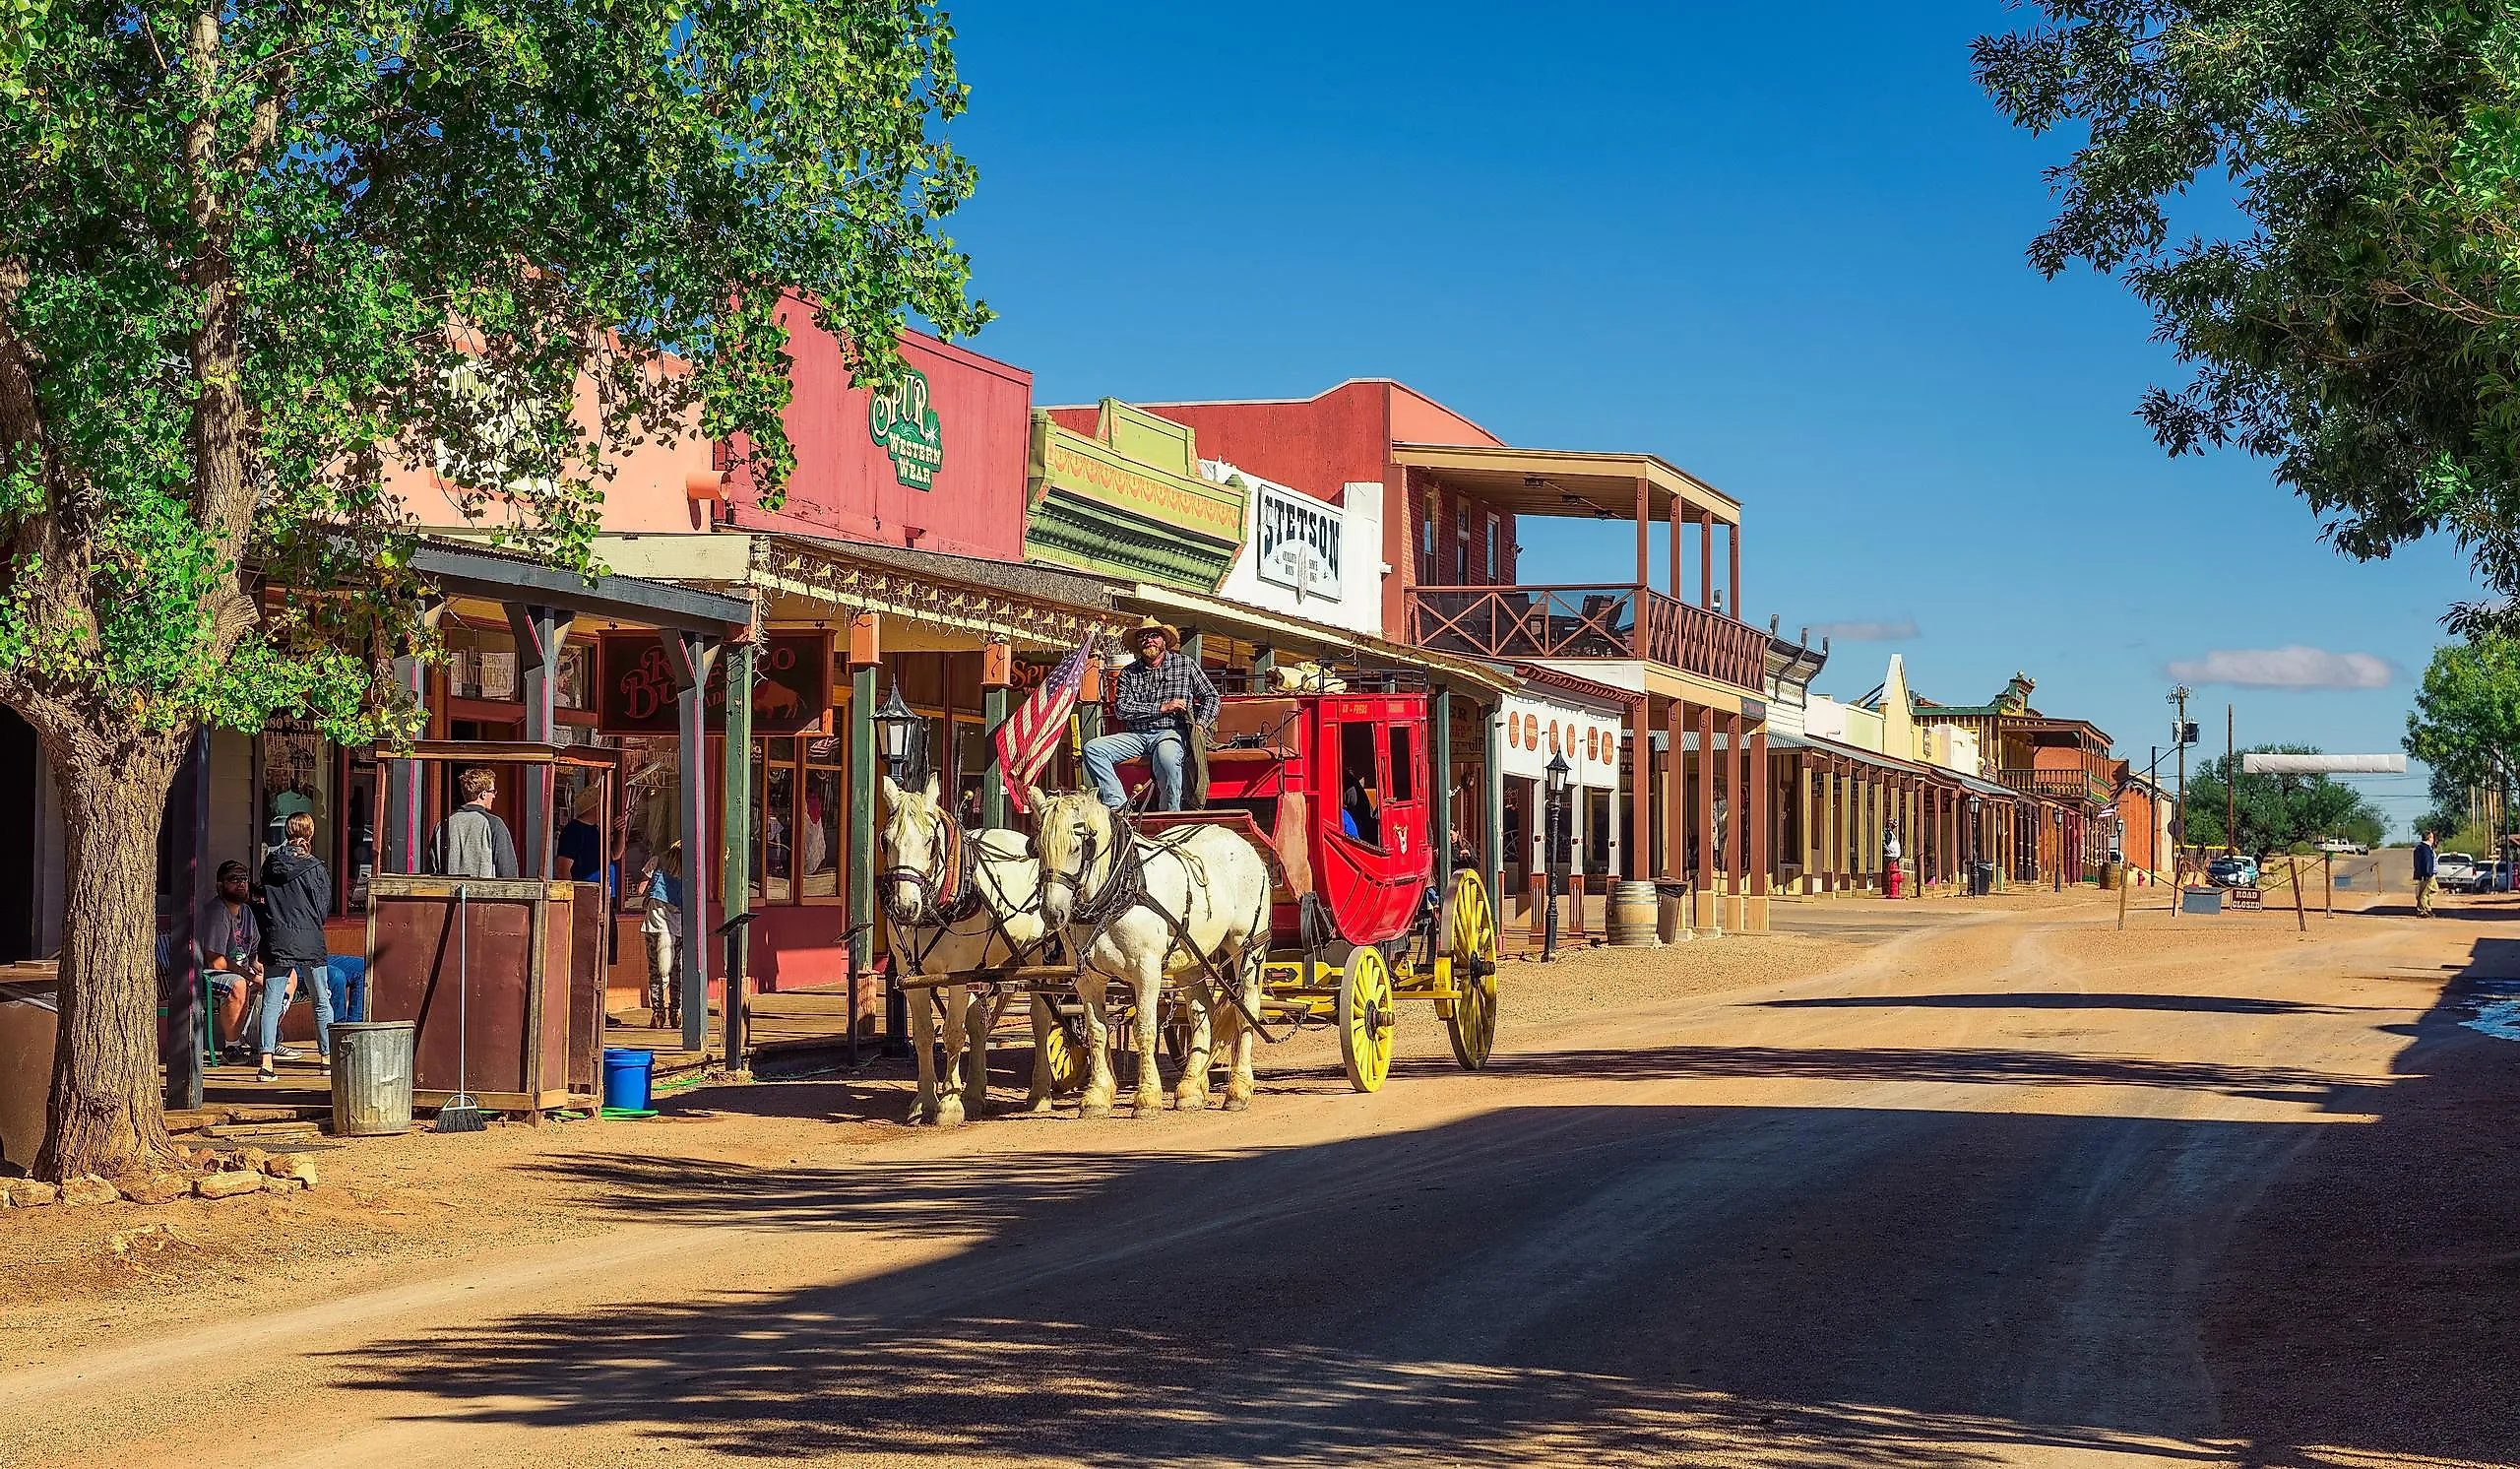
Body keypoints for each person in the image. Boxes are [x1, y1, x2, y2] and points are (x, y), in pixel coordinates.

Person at [1082, 619, 1219, 812]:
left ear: (1164, 640)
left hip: (1171, 733)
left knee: (1168, 758)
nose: (1148, 640)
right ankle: (1118, 806)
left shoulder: (1185, 665)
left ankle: (1170, 816)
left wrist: (1201, 725)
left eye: (1154, 635)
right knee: (1093, 749)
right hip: (1136, 736)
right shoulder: (1129, 672)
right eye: (1142, 636)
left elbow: (1211, 697)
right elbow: (1122, 709)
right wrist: (1162, 707)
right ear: (1138, 643)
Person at [258, 812, 336, 1083]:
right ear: (310, 834)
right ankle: (326, 1058)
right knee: (321, 999)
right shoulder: (315, 868)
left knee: (271, 1000)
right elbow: (323, 909)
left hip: (277, 938)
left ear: (286, 832)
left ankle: (266, 1062)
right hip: (309, 938)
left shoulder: (270, 864)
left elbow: (263, 898)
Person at [199, 860, 263, 1058]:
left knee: (287, 978)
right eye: (233, 879)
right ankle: (231, 1047)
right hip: (209, 975)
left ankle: (264, 1041)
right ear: (220, 885)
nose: (241, 883)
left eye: (243, 878)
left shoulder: (247, 912)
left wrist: (264, 971)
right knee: (238, 984)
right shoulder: (217, 912)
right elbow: (215, 961)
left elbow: (253, 955)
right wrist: (251, 977)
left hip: (241, 971)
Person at [430, 766, 520, 879]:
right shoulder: (494, 824)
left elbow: (432, 869)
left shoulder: (443, 825)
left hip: (448, 894)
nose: (494, 795)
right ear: (483, 794)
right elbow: (507, 872)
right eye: (492, 791)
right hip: (484, 894)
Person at [641, 842, 684, 1031]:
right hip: (679, 928)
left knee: (655, 970)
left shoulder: (657, 861)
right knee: (677, 971)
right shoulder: (692, 869)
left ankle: (658, 1014)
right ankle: (676, 1013)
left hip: (654, 925)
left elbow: (640, 890)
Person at [2415, 830, 2438, 918]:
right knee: (2424, 892)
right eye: (2432, 837)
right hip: (2427, 874)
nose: (2433, 839)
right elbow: (2427, 862)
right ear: (2429, 838)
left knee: (2433, 890)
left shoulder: (2425, 848)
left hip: (2430, 874)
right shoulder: (2425, 848)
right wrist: (2428, 873)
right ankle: (2423, 910)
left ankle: (2426, 907)